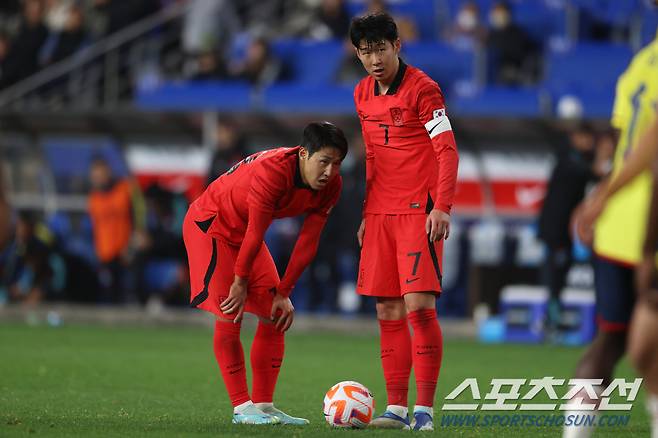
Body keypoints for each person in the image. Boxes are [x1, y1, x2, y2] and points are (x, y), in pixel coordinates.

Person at [182, 121, 347, 425]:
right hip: (212, 227)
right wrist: (239, 281)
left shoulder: (331, 186)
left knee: (275, 314)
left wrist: (284, 293)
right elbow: (258, 231)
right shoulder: (273, 172)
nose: (329, 172)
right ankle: (241, 408)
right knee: (230, 313)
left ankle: (264, 406)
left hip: (244, 235)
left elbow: (308, 242)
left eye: (337, 164)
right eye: (324, 161)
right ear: (303, 154)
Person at [349, 13, 459, 431]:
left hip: (419, 210)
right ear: (357, 53)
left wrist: (442, 206)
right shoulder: (361, 93)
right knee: (387, 309)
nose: (374, 59)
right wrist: (366, 211)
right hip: (380, 213)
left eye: (380, 48)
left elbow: (447, 151)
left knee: (419, 308)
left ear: (397, 45)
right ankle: (396, 408)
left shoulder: (424, 89)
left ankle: (425, 411)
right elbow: (373, 156)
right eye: (365, 51)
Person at [565, 28, 658, 438]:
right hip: (647, 223)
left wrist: (601, 198)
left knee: (611, 339)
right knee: (646, 346)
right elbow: (651, 149)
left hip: (617, 224)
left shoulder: (641, 63)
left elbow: (623, 146)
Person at [537, 122, 600, 334]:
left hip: (561, 229)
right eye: (586, 138)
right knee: (555, 274)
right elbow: (590, 174)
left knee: (559, 274)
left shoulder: (574, 159)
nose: (590, 143)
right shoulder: (569, 160)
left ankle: (553, 317)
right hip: (556, 230)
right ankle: (551, 320)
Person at [88, 156, 145, 303]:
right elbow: (95, 228)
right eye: (95, 176)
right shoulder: (93, 198)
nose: (99, 179)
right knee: (111, 294)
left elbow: (139, 216)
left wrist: (132, 245)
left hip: (126, 252)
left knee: (131, 290)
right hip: (105, 254)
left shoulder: (125, 188)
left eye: (101, 174)